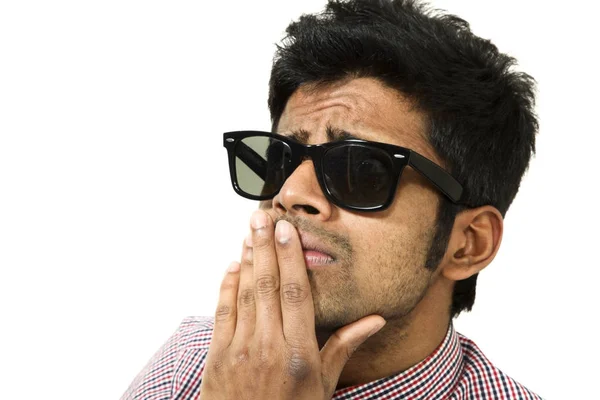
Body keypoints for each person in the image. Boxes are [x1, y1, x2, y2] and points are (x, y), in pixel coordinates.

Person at [122, 0, 542, 398]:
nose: (289, 195)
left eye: (360, 169)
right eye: (280, 161)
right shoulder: (190, 359)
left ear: (469, 243)